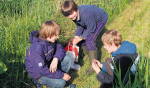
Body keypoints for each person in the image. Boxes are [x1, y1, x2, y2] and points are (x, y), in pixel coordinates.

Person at [61, 0, 108, 73]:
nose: (70, 16)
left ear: (75, 8)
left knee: (90, 40)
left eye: (71, 13)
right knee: (81, 39)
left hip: (100, 19)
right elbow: (80, 26)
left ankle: (94, 65)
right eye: (68, 15)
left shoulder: (85, 13)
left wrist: (81, 37)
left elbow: (91, 28)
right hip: (91, 22)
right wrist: (77, 36)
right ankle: (88, 53)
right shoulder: (74, 16)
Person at [25, 21, 76, 88]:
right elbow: (42, 70)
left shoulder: (50, 40)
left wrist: (56, 58)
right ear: (49, 35)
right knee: (61, 83)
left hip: (47, 65)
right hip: (38, 74)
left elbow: (60, 48)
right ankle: (38, 82)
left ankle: (58, 77)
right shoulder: (37, 48)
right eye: (56, 35)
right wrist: (62, 75)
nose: (58, 37)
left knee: (68, 59)